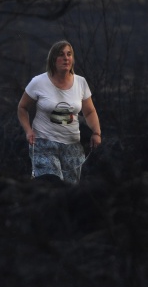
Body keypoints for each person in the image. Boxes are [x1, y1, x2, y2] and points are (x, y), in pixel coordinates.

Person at [17, 40, 102, 184]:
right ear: (53, 59)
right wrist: (28, 130)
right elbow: (22, 107)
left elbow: (89, 112)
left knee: (71, 191)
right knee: (50, 183)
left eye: (69, 54)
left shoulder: (81, 83)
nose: (66, 58)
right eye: (61, 55)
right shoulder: (38, 82)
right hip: (43, 143)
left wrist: (96, 133)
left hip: (72, 145)